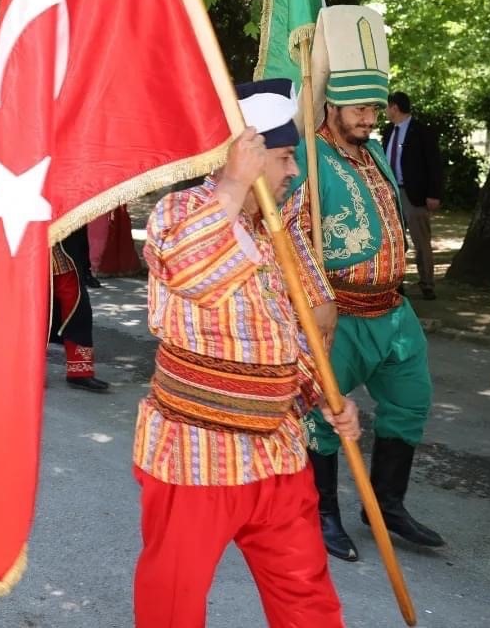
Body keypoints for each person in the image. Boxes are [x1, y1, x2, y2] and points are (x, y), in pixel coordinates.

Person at [135, 78, 357, 628]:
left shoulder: (283, 232)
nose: (292, 172)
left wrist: (325, 396)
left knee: (306, 593)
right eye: (282, 157)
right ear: (245, 154)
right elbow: (193, 271)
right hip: (197, 454)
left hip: (277, 454)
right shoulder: (179, 212)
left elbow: (290, 330)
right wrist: (233, 184)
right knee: (174, 600)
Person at [295, 5, 444, 563]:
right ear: (331, 102)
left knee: (412, 401)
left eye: (375, 108)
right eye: (359, 107)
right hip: (339, 315)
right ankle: (323, 512)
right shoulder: (309, 158)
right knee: (324, 418)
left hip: (394, 313)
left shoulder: (375, 149)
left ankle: (386, 505)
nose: (368, 118)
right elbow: (286, 236)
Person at [384, 92, 444, 300]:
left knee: (421, 241)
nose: (385, 111)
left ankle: (427, 283)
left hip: (415, 194)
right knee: (395, 240)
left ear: (394, 107)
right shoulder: (388, 130)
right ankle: (398, 283)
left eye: (387, 107)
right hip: (391, 192)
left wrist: (434, 193)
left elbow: (434, 164)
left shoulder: (421, 131)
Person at [51, 226, 110, 392]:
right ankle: (28, 372)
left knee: (78, 307)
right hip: (27, 250)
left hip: (63, 247)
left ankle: (80, 371)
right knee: (33, 314)